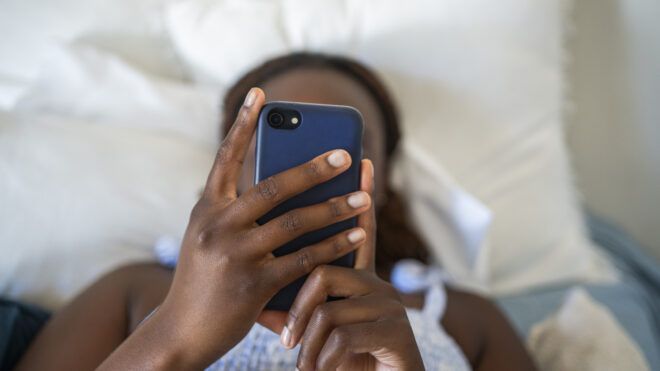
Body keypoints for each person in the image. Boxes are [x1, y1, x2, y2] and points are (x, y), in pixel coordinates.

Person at [10, 53, 536, 371]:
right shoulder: (136, 291)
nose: (313, 169)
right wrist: (174, 336)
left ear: (381, 186)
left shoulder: (465, 316)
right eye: (274, 138)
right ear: (227, 167)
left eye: (341, 149)